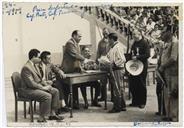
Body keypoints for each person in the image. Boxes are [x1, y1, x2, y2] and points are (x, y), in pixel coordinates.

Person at [20, 49, 63, 122]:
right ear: (33, 57)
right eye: (39, 57)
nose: (40, 59)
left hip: (34, 88)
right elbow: (31, 84)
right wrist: (43, 88)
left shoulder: (35, 65)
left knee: (55, 91)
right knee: (47, 96)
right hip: (28, 90)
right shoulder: (26, 67)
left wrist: (46, 84)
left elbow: (39, 79)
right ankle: (41, 117)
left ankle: (52, 114)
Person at [100, 33, 127, 113]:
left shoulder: (117, 47)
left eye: (108, 39)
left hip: (117, 69)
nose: (108, 41)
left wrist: (114, 64)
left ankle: (117, 107)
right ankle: (122, 105)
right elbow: (110, 56)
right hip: (116, 69)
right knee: (119, 88)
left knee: (117, 89)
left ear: (112, 39)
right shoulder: (113, 47)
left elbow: (122, 59)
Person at [61, 30, 86, 109]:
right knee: (67, 88)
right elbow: (74, 55)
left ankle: (74, 103)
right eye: (79, 36)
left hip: (73, 69)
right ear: (74, 36)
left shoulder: (76, 44)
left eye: (81, 36)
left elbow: (77, 58)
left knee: (75, 86)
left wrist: (81, 68)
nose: (80, 38)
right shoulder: (70, 43)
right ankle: (66, 105)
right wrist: (84, 59)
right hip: (67, 69)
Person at [159, 32, 178, 121]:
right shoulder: (168, 43)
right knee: (167, 93)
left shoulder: (175, 43)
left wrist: (163, 66)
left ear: (168, 34)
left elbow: (173, 58)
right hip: (167, 72)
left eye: (163, 35)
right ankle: (169, 114)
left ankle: (174, 116)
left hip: (173, 72)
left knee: (174, 94)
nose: (161, 37)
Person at [129, 29, 150, 109]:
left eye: (135, 34)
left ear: (139, 34)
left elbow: (147, 54)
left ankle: (142, 102)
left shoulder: (145, 43)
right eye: (133, 34)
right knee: (133, 83)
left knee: (141, 84)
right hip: (134, 66)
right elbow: (132, 52)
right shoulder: (134, 43)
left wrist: (137, 57)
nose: (133, 36)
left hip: (142, 66)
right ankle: (135, 101)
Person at [96, 28, 110, 101]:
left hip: (110, 63)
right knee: (103, 81)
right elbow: (98, 52)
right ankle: (103, 97)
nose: (105, 34)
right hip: (103, 64)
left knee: (112, 81)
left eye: (106, 33)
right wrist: (97, 61)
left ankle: (113, 97)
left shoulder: (111, 41)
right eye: (103, 33)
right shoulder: (100, 42)